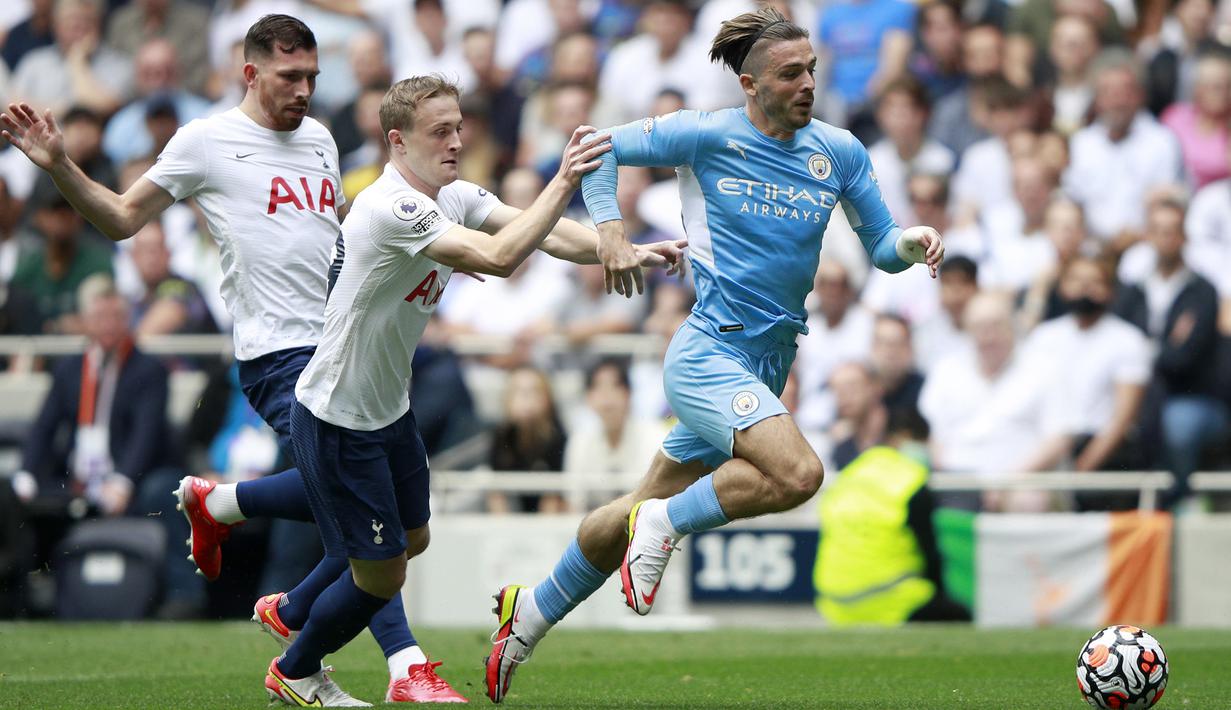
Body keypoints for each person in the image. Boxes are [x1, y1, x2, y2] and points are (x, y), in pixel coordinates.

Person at [483, 8, 943, 702]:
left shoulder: (839, 151)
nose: (808, 83)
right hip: (704, 355)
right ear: (751, 85)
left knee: (637, 502)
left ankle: (532, 612)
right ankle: (663, 527)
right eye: (790, 73)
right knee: (797, 475)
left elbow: (881, 247)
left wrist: (912, 242)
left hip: (767, 363)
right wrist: (609, 231)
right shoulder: (705, 132)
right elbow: (594, 146)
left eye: (811, 69)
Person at [1, 14, 458, 702]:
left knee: (370, 507)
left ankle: (239, 526)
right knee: (365, 509)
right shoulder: (206, 142)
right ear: (250, 73)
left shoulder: (320, 139)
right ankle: (398, 664)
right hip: (278, 355)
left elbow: (329, 244)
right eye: (289, 77)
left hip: (340, 345)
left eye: (311, 76)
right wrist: (62, 165)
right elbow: (123, 218)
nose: (304, 90)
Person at [263, 75, 672, 707]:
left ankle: (292, 605)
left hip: (389, 410)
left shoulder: (450, 194)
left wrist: (626, 247)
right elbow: (503, 256)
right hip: (340, 417)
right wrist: (564, 178)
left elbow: (548, 235)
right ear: (397, 141)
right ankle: (296, 667)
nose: (457, 140)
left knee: (412, 539)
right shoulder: (390, 206)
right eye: (440, 131)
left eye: (459, 127)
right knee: (383, 573)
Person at [813, 408, 970, 625]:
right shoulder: (911, 481)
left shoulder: (850, 474)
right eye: (923, 442)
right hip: (890, 599)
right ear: (904, 437)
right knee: (959, 616)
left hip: (834, 604)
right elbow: (931, 556)